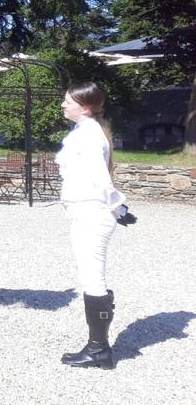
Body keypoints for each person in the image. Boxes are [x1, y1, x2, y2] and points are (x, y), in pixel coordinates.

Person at [56, 81, 130, 370]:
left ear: (84, 108)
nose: (63, 105)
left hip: (92, 212)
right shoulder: (83, 131)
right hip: (83, 210)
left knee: (92, 277)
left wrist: (117, 206)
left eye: (68, 101)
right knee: (90, 274)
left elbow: (100, 176)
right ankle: (99, 347)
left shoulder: (87, 134)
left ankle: (99, 349)